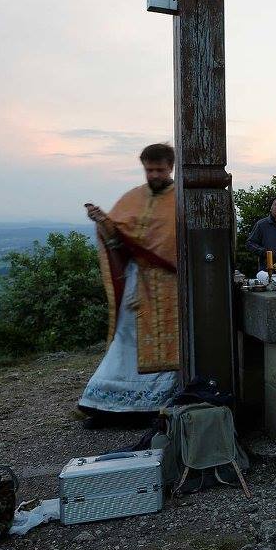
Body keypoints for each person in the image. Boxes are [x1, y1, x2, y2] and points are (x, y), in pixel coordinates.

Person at [78, 143, 181, 428]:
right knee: (126, 339)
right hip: (139, 284)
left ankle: (156, 405)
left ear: (171, 168)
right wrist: (102, 221)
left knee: (171, 344)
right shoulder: (132, 198)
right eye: (150, 170)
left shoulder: (181, 199)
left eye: (160, 169)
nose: (155, 175)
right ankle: (104, 405)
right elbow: (118, 240)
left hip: (172, 285)